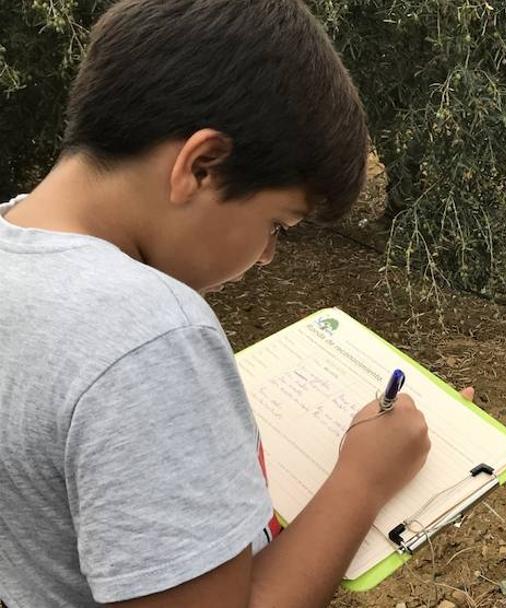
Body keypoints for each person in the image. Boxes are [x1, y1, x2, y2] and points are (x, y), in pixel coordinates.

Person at [0, 1, 460, 606]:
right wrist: (362, 479)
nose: (268, 255)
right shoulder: (150, 334)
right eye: (279, 225)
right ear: (203, 165)